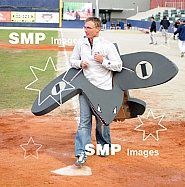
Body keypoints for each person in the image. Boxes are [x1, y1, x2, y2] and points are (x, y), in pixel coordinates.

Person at [69, 17, 122, 166]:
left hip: (103, 90)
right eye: (85, 27)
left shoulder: (107, 46)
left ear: (98, 29)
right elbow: (72, 60)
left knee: (102, 122)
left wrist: (103, 61)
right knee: (84, 122)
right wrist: (80, 63)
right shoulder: (81, 43)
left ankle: (104, 146)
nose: (86, 30)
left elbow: (118, 66)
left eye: (89, 28)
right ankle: (81, 153)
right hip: (86, 90)